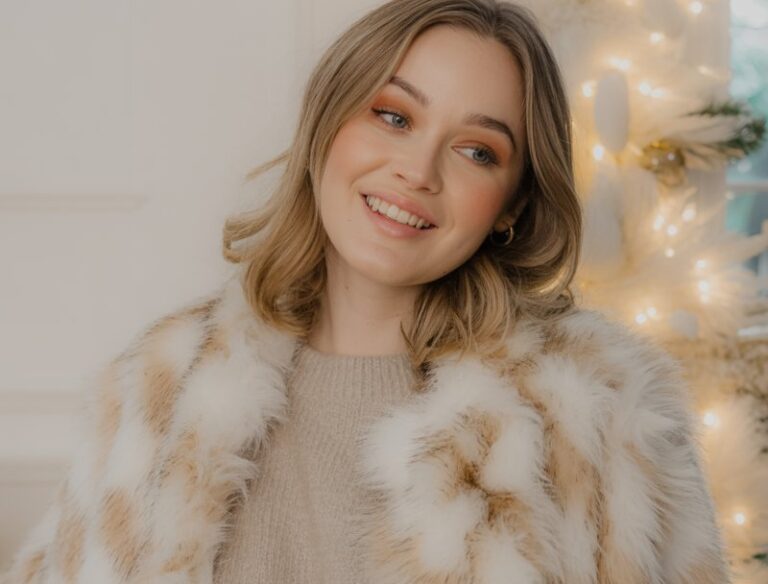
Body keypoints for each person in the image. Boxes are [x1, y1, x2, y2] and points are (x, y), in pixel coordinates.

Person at [3, 0, 730, 582]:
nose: (418, 170)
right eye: (394, 115)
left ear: (510, 205)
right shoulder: (157, 394)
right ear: (328, 125)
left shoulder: (599, 417)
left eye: (478, 151)